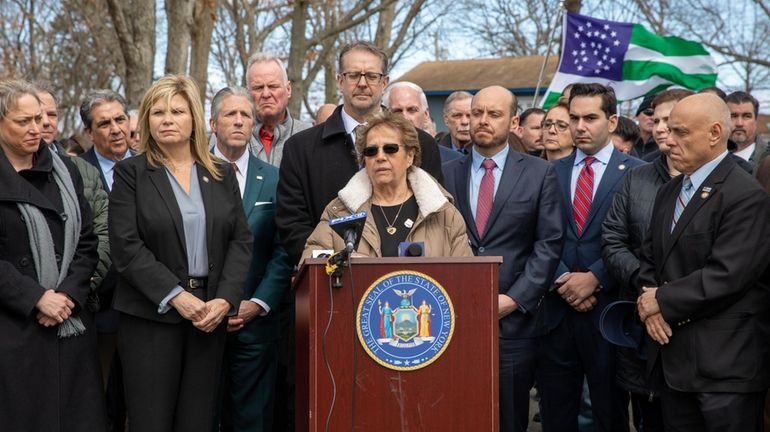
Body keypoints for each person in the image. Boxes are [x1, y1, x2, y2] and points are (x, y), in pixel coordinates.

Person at [108, 75, 252, 432]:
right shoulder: (132, 174)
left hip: (209, 316)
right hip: (150, 319)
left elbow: (240, 240)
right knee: (151, 422)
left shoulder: (220, 172)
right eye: (157, 112)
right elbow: (126, 246)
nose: (167, 119)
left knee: (198, 421)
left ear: (195, 120)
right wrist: (175, 296)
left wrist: (225, 299)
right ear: (146, 121)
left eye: (177, 111)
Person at [636, 93, 770, 432]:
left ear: (713, 133)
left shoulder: (745, 196)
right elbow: (651, 258)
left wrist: (661, 302)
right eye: (667, 130)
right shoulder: (670, 191)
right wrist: (650, 305)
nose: (668, 142)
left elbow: (727, 275)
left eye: (681, 132)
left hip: (724, 369)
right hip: (673, 363)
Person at [443, 86, 564, 432]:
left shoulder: (540, 174)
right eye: (476, 113)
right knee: (459, 413)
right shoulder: (447, 173)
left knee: (509, 416)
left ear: (513, 122)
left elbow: (549, 244)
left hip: (514, 323)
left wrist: (514, 299)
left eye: (493, 114)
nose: (481, 121)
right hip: (455, 316)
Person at [278, 40, 444, 267]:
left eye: (372, 76)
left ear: (384, 82)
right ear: (340, 81)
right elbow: (293, 225)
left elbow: (435, 215)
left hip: (410, 278)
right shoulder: (301, 148)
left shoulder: (420, 143)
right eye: (354, 75)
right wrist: (338, 262)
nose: (363, 83)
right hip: (331, 283)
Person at [537, 83, 644, 432]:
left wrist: (596, 278)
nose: (580, 126)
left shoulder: (639, 174)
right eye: (574, 118)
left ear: (612, 121)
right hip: (556, 311)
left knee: (609, 412)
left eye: (590, 118)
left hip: (609, 312)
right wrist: (564, 279)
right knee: (556, 412)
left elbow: (641, 241)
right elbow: (536, 235)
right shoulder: (547, 173)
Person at [0, 79, 106, 430]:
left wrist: (66, 296)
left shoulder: (66, 171)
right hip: (15, 328)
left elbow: (87, 241)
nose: (36, 128)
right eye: (23, 121)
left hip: (69, 324)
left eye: (40, 118)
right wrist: (36, 298)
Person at [601, 88, 695, 432]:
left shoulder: (728, 182)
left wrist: (669, 299)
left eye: (670, 121)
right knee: (649, 419)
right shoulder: (636, 178)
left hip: (701, 333)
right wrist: (650, 294)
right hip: (644, 327)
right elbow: (613, 241)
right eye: (656, 120)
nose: (659, 129)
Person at [209, 87, 292, 432]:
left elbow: (285, 248)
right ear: (212, 124)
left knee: (251, 421)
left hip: (255, 326)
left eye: (246, 115)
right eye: (231, 114)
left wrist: (257, 302)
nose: (240, 121)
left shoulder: (273, 178)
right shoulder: (189, 174)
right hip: (199, 322)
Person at [303, 111, 471, 258]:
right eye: (371, 151)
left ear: (410, 156)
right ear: (364, 160)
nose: (380, 157)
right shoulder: (338, 212)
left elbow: (467, 276)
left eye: (390, 149)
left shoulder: (443, 213)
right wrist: (344, 265)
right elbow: (311, 265)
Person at [244, 52, 311, 167]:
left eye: (273, 86)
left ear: (288, 89)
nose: (266, 94)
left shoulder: (310, 136)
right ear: (247, 93)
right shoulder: (231, 135)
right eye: (258, 87)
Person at [384, 81, 461, 164]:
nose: (405, 117)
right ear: (386, 115)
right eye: (397, 111)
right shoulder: (376, 157)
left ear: (426, 115)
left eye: (412, 110)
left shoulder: (453, 161)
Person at [726, 91, 766, 170]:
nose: (739, 123)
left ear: (755, 120)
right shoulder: (710, 158)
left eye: (746, 116)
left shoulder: (766, 160)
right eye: (733, 116)